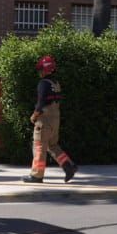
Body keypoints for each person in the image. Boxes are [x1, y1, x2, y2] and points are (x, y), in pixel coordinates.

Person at [24, 54, 77, 183]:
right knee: (53, 145)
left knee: (39, 147)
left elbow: (41, 103)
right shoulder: (56, 83)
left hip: (44, 120)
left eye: (41, 69)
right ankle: (69, 166)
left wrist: (34, 116)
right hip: (55, 119)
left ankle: (37, 175)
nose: (39, 72)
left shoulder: (43, 84)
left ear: (45, 70)